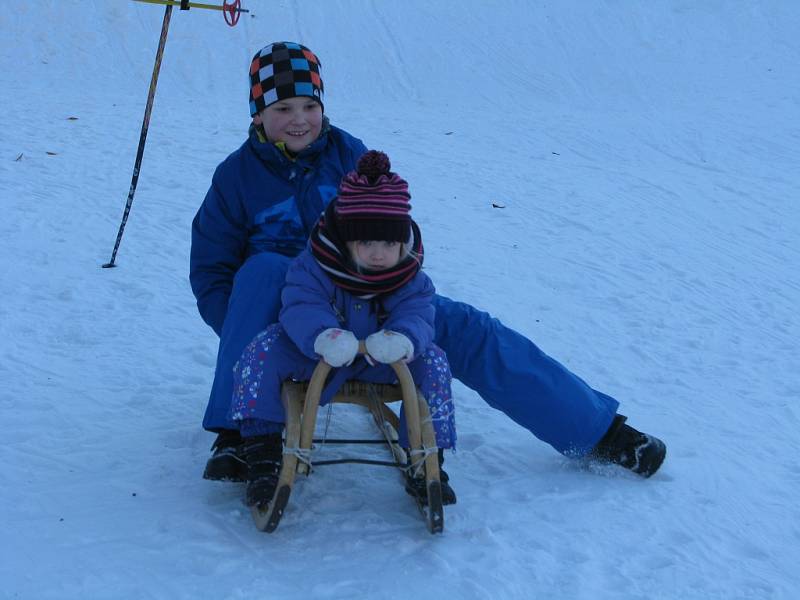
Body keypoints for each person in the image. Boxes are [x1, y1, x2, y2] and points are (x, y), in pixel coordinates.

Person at [189, 41, 666, 486]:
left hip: (369, 303)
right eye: (282, 109)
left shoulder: (351, 156)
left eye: (309, 106)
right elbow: (212, 274)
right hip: (288, 319)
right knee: (262, 270)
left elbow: (391, 230)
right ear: (258, 113)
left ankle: (597, 428)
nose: (299, 121)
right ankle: (236, 430)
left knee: (469, 328)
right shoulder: (236, 177)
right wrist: (246, 335)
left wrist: (401, 295)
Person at [227, 150, 457, 507]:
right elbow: (301, 304)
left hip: (383, 359)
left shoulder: (410, 277)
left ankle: (428, 459)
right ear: (345, 238)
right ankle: (262, 451)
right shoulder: (315, 266)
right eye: (366, 243)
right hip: (316, 354)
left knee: (436, 362)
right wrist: (323, 334)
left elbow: (418, 312)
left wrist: (404, 338)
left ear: (404, 241)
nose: (379, 254)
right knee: (262, 350)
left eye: (389, 244)